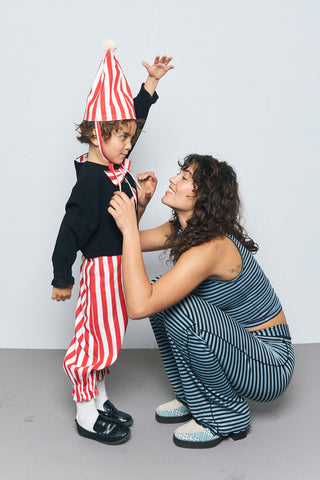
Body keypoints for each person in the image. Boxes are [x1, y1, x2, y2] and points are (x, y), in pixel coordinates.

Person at [108, 153, 295, 449]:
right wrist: (139, 207)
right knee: (164, 297)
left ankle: (227, 416)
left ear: (204, 195)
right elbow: (125, 244)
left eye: (183, 178)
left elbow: (139, 306)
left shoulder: (211, 247)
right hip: (242, 348)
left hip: (270, 365)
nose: (172, 180)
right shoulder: (185, 232)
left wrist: (129, 224)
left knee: (178, 306)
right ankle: (193, 398)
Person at [51, 40, 173, 445]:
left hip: (121, 263)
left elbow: (133, 117)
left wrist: (150, 85)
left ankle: (99, 396)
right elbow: (68, 230)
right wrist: (62, 276)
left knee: (110, 335)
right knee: (95, 336)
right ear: (96, 135)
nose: (128, 143)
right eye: (120, 137)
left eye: (129, 137)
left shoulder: (116, 165)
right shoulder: (89, 181)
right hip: (101, 269)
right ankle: (85, 406)